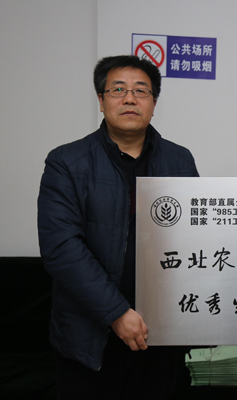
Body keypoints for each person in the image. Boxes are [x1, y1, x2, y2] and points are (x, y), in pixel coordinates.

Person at [38, 55, 199, 399]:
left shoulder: (180, 160)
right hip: (89, 335)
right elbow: (61, 248)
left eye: (141, 90)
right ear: (101, 100)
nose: (129, 98)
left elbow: (195, 238)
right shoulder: (66, 162)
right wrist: (117, 313)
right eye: (118, 90)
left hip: (159, 333)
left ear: (153, 103)